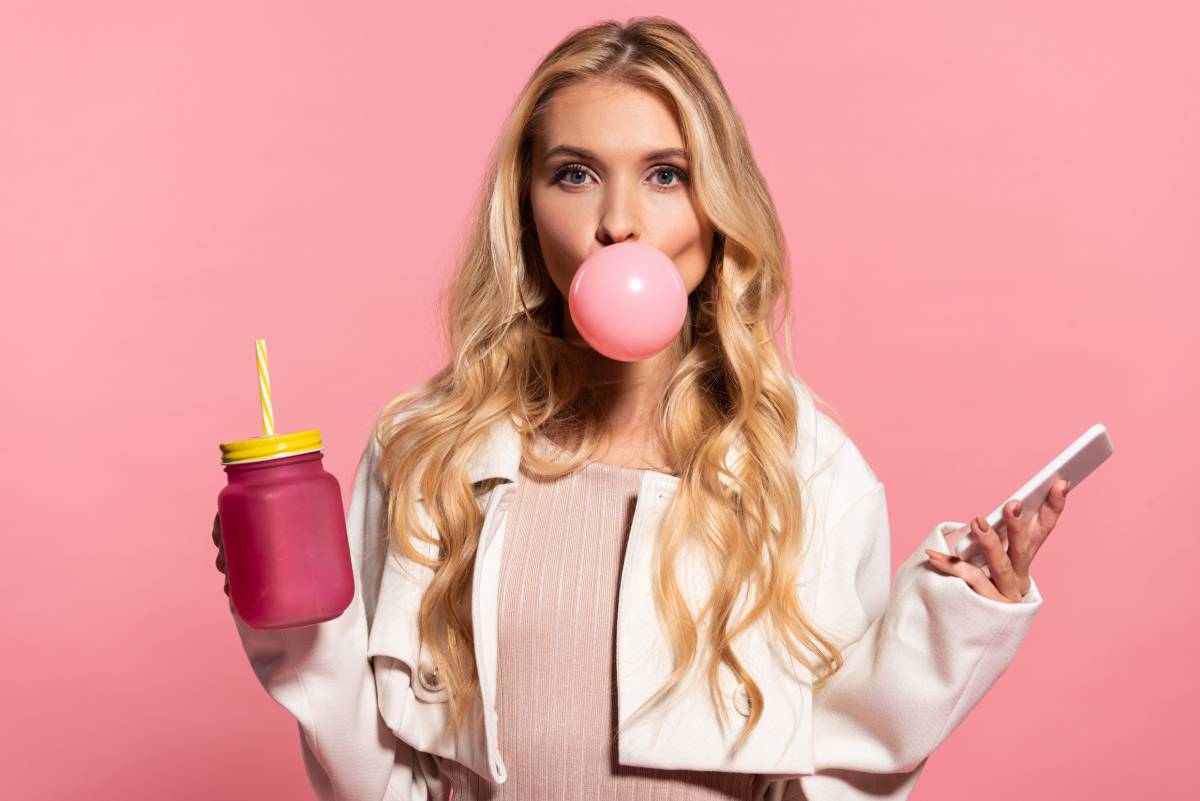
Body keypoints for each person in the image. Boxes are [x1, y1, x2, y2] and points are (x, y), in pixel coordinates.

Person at [211, 16, 1069, 801]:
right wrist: (291, 624)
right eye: (575, 174)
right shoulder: (426, 448)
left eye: (666, 175)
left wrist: (953, 623)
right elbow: (378, 764)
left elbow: (839, 767)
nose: (618, 221)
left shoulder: (805, 464)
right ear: (526, 205)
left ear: (717, 205)